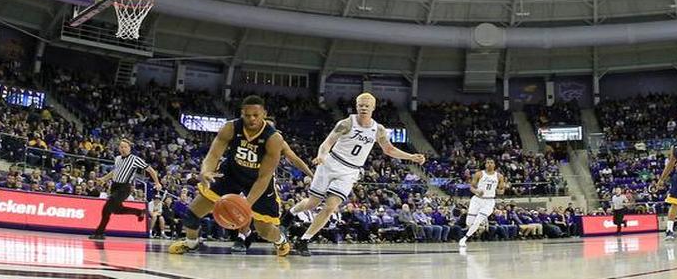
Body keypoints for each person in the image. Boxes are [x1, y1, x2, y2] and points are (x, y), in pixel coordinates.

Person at [168, 95, 314, 256]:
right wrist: (206, 170)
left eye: (256, 115)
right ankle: (191, 243)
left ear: (264, 114)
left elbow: (264, 177)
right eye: (247, 115)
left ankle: (281, 241)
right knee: (192, 214)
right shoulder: (230, 128)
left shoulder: (274, 139)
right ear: (241, 113)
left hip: (258, 181)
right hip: (231, 173)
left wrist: (245, 204)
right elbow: (213, 155)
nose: (251, 119)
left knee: (264, 230)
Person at [285, 92, 426, 256]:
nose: (364, 108)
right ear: (356, 106)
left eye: (367, 105)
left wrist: (411, 157)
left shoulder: (378, 129)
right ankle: (289, 215)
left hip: (350, 171)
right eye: (361, 105)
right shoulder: (346, 123)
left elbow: (389, 149)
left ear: (373, 107)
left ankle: (304, 240)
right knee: (312, 203)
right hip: (331, 164)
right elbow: (326, 144)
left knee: (330, 207)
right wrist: (322, 155)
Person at [89, 138, 161, 240]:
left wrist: (157, 182)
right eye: (121, 147)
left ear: (129, 148)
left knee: (106, 208)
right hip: (114, 186)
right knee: (116, 210)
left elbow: (150, 170)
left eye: (125, 147)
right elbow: (115, 171)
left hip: (124, 187)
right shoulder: (118, 158)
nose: (123, 149)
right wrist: (104, 179)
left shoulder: (134, 159)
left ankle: (99, 233)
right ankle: (139, 212)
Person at [459, 158, 507, 250]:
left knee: (477, 221)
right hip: (477, 200)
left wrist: (499, 191)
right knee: (469, 222)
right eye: (487, 163)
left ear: (494, 165)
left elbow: (501, 190)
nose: (489, 164)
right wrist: (477, 191)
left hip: (489, 201)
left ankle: (464, 239)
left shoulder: (499, 176)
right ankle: (477, 226)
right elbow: (471, 188)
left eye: (491, 162)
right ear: (485, 165)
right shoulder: (479, 174)